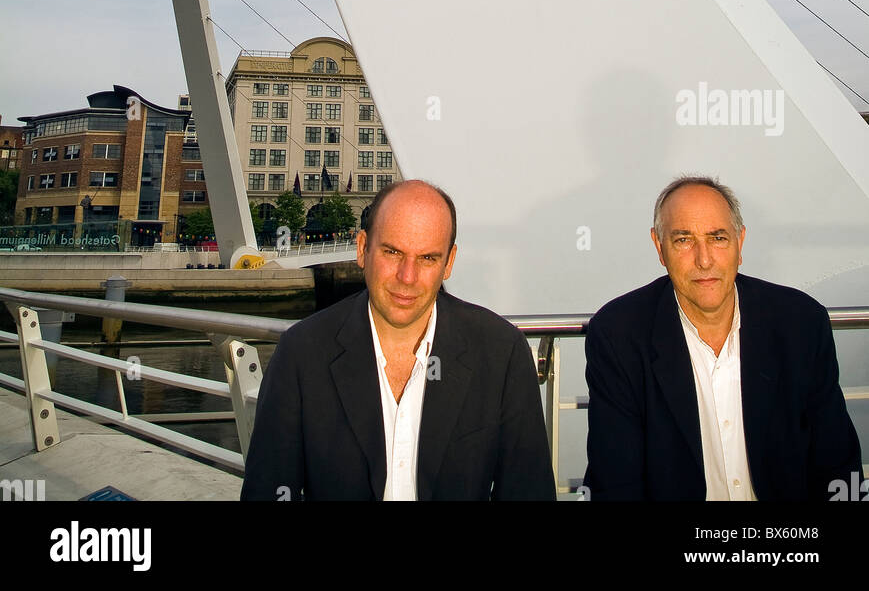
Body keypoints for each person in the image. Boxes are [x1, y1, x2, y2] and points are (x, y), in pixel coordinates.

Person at [241, 179, 556, 500]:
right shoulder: (302, 353)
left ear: (449, 263)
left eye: (428, 258)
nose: (407, 277)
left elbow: (529, 489)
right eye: (392, 252)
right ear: (362, 249)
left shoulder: (500, 352)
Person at [584, 175, 862, 501]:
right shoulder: (619, 335)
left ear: (740, 243)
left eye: (717, 238)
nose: (704, 260)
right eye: (684, 240)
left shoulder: (800, 324)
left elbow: (838, 467)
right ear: (659, 247)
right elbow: (616, 485)